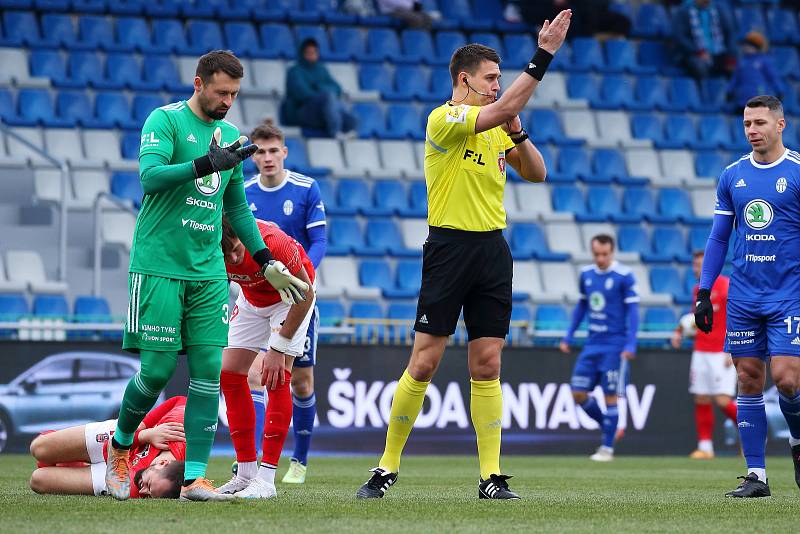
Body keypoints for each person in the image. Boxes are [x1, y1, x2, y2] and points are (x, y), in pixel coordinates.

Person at [356, 10, 572, 500]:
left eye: (500, 78)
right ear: (464, 80)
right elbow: (494, 113)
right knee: (425, 361)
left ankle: (491, 477)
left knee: (488, 364)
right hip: (449, 247)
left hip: (493, 249)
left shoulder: (498, 128)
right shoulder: (446, 118)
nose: (497, 85)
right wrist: (544, 55)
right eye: (491, 78)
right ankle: (386, 466)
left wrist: (518, 131)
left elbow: (537, 173)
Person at [106, 50, 309, 502]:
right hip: (159, 266)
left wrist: (264, 262)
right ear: (199, 84)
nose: (228, 102)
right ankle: (120, 447)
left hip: (209, 274)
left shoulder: (231, 135)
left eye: (234, 94)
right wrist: (205, 165)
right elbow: (150, 177)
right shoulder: (166, 121)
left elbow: (236, 206)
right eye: (221, 93)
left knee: (206, 375)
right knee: (156, 371)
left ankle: (194, 477)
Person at [695, 94, 800, 498]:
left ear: (780, 125)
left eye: (759, 123)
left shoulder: (795, 172)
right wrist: (705, 291)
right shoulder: (732, 175)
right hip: (743, 297)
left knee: (788, 380)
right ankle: (757, 475)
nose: (752, 131)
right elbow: (719, 236)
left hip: (788, 295)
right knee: (748, 379)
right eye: (747, 124)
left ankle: (796, 441)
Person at [242, 121, 327, 484]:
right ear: (253, 157)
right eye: (260, 151)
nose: (267, 157)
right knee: (255, 374)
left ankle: (300, 460)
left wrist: (302, 279)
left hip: (296, 296)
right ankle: (261, 457)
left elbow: (320, 241)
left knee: (300, 382)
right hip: (259, 299)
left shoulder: (306, 188)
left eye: (273, 150)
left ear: (284, 152)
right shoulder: (243, 192)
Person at [216, 217, 316, 499]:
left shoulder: (272, 242)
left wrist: (278, 346)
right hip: (251, 299)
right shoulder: (210, 249)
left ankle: (267, 479)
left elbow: (305, 295)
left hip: (293, 296)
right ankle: (246, 473)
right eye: (227, 255)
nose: (234, 258)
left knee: (276, 375)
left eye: (236, 249)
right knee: (229, 374)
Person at [559, 235, 639, 462]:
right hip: (592, 344)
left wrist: (631, 343)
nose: (600, 258)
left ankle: (607, 448)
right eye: (596, 254)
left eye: (605, 254)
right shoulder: (586, 275)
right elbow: (582, 306)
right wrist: (569, 335)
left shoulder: (624, 276)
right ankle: (608, 425)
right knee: (578, 392)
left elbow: (633, 312)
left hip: (614, 345)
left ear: (612, 252)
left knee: (610, 396)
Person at [29, 397, 187, 499]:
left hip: (119, 470)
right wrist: (144, 431)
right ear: (163, 463)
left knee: (38, 480)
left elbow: (110, 448)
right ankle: (69, 458)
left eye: (149, 496)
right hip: (127, 435)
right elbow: (180, 401)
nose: (143, 492)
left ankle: (74, 462)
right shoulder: (179, 431)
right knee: (39, 449)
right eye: (149, 486)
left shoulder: (132, 488)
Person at [671, 251, 736, 459]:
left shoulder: (725, 286)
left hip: (721, 351)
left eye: (701, 264)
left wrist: (732, 346)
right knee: (701, 398)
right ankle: (705, 447)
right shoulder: (698, 289)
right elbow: (694, 318)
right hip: (701, 350)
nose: (697, 268)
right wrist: (679, 331)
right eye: (695, 265)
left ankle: (751, 435)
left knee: (723, 401)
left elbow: (736, 315)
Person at [282, 38, 357, 138]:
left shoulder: (321, 69)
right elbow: (303, 94)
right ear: (302, 53)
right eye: (309, 52)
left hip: (321, 112)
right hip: (301, 113)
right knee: (328, 97)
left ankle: (348, 137)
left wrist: (319, 88)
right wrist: (323, 95)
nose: (312, 55)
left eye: (314, 52)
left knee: (352, 119)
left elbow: (337, 88)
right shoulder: (294, 71)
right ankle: (335, 133)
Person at [673, 0, 737, 80]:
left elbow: (729, 33)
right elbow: (680, 37)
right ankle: (704, 90)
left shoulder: (719, 10)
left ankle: (730, 91)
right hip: (693, 54)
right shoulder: (684, 11)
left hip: (718, 52)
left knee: (736, 64)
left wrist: (731, 56)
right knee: (700, 66)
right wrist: (698, 52)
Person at [727, 31, 786, 110]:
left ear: (755, 47)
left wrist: (780, 91)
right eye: (746, 45)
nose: (746, 47)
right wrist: (729, 90)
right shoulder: (742, 62)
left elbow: (773, 77)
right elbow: (735, 79)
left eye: (749, 45)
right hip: (742, 100)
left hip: (759, 100)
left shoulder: (764, 61)